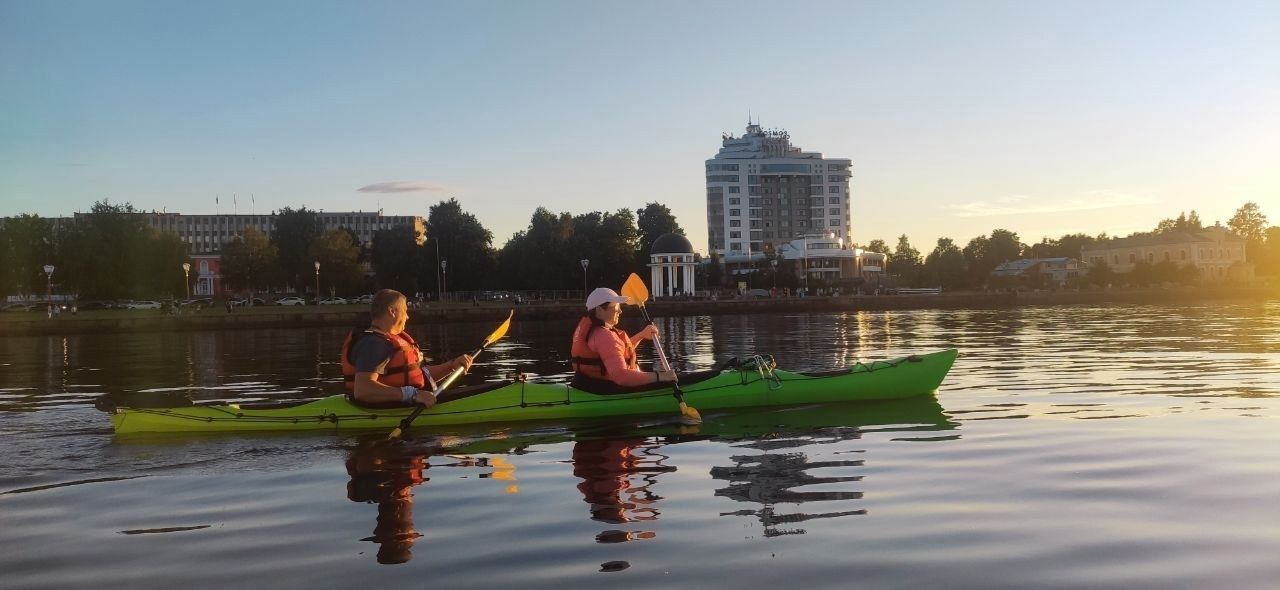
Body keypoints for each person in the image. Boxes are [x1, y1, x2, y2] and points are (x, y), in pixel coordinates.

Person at [341, 289, 473, 407]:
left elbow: (420, 375)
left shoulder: (388, 340)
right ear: (392, 312)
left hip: (411, 404)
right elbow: (363, 390)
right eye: (404, 311)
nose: (407, 316)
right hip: (387, 411)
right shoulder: (374, 343)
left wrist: (451, 366)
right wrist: (413, 395)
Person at [570, 287, 674, 388]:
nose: (620, 311)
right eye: (616, 307)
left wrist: (641, 335)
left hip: (591, 386)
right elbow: (621, 376)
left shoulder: (595, 332)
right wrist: (660, 376)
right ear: (599, 309)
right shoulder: (604, 336)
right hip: (613, 391)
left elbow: (619, 351)